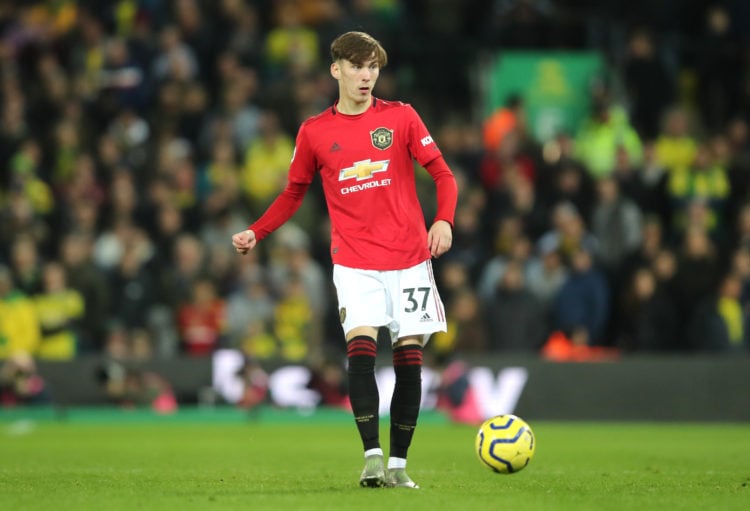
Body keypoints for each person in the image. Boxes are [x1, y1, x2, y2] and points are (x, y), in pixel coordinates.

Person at [231, 31, 457, 489]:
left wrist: (445, 221)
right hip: (354, 261)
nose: (366, 76)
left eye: (373, 67)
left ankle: (399, 465)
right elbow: (294, 192)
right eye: (357, 66)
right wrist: (258, 230)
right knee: (361, 348)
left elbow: (443, 173)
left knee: (409, 357)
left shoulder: (402, 118)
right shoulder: (315, 131)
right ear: (336, 69)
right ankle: (372, 457)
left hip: (410, 257)